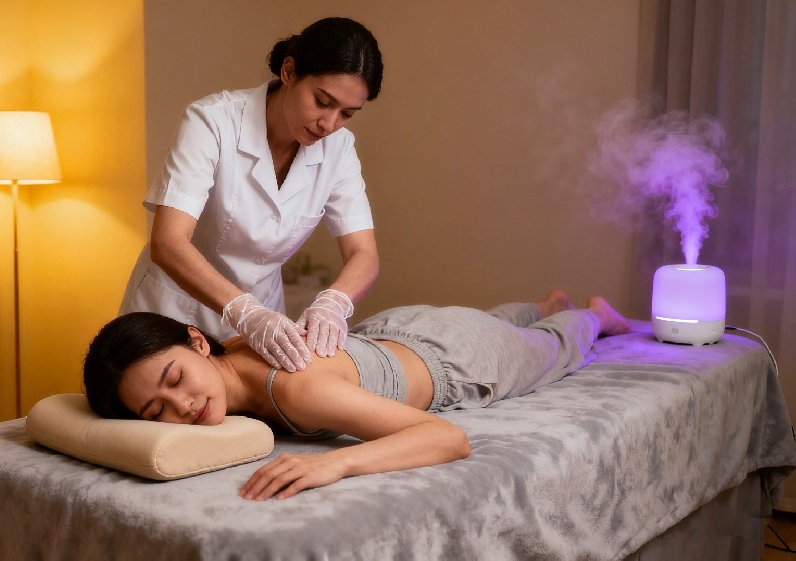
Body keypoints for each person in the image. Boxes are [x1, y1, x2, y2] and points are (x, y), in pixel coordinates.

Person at [84, 290, 632, 500]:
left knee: (556, 345)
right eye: (156, 411)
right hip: (394, 328)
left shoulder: (296, 391)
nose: (181, 408)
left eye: (175, 380)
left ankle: (589, 314)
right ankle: (538, 301)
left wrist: (338, 465)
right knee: (496, 316)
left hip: (456, 357)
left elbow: (448, 438)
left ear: (198, 342)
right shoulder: (236, 347)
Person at [119, 17, 384, 374]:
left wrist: (333, 303)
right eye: (322, 101)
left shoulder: (338, 149)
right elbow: (168, 243)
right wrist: (246, 312)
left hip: (260, 326)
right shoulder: (212, 122)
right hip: (174, 313)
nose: (329, 124)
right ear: (289, 71)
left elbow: (363, 253)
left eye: (347, 114)